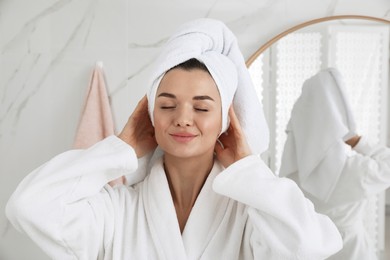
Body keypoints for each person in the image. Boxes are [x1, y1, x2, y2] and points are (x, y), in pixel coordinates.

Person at [6, 19, 342, 259]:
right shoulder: (120, 210)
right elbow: (28, 207)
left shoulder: (249, 217)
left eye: (201, 106)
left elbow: (310, 246)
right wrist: (120, 148)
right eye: (167, 104)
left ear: (227, 121)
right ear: (150, 115)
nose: (182, 118)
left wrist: (246, 167)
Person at [279, 68, 390, 260]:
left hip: (310, 251)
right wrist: (357, 140)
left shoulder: (291, 172)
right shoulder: (354, 170)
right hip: (353, 252)